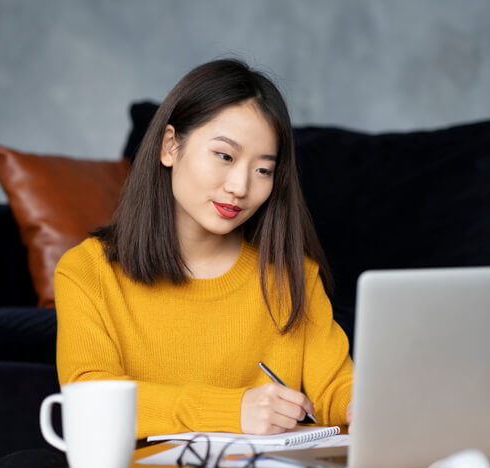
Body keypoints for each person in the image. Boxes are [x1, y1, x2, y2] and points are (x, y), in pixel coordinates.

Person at [55, 58, 353, 438]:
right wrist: (232, 410)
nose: (240, 186)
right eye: (225, 156)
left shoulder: (293, 275)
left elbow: (337, 387)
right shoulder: (87, 271)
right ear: (169, 147)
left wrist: (362, 406)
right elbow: (90, 403)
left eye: (263, 170)